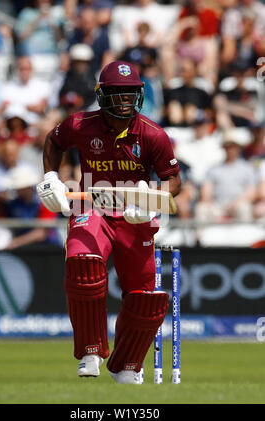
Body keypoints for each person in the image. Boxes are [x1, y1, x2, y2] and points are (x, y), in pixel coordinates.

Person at [36, 61, 181, 384]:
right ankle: (90, 350)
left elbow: (173, 181)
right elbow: (54, 141)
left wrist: (150, 202)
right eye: (117, 93)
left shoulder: (153, 134)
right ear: (103, 95)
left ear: (140, 95)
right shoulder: (80, 123)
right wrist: (50, 178)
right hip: (93, 208)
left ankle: (127, 365)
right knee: (82, 265)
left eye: (131, 93)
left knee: (145, 296)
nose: (125, 100)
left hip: (134, 216)